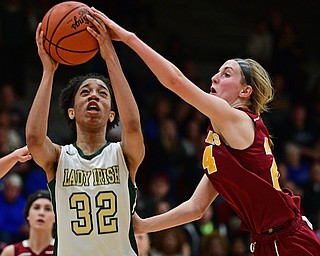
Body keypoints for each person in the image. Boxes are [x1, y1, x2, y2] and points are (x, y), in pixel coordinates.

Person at [86, 8, 320, 255]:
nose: (215, 77)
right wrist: (142, 225)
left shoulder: (237, 118)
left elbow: (175, 80)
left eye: (226, 74)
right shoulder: (224, 145)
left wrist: (127, 37)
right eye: (217, 72)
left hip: (287, 241)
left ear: (245, 92)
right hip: (267, 241)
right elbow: (196, 207)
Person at [25, 13, 145, 256]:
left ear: (112, 114)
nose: (93, 96)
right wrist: (48, 72)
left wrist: (110, 55)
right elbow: (35, 140)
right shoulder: (59, 157)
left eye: (102, 93)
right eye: (85, 92)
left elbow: (132, 125)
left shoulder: (123, 153)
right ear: (71, 112)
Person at [1, 189, 55, 256]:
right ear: (28, 215)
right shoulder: (11, 252)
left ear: (55, 218)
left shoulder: (62, 249)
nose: (41, 213)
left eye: (48, 209)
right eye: (36, 208)